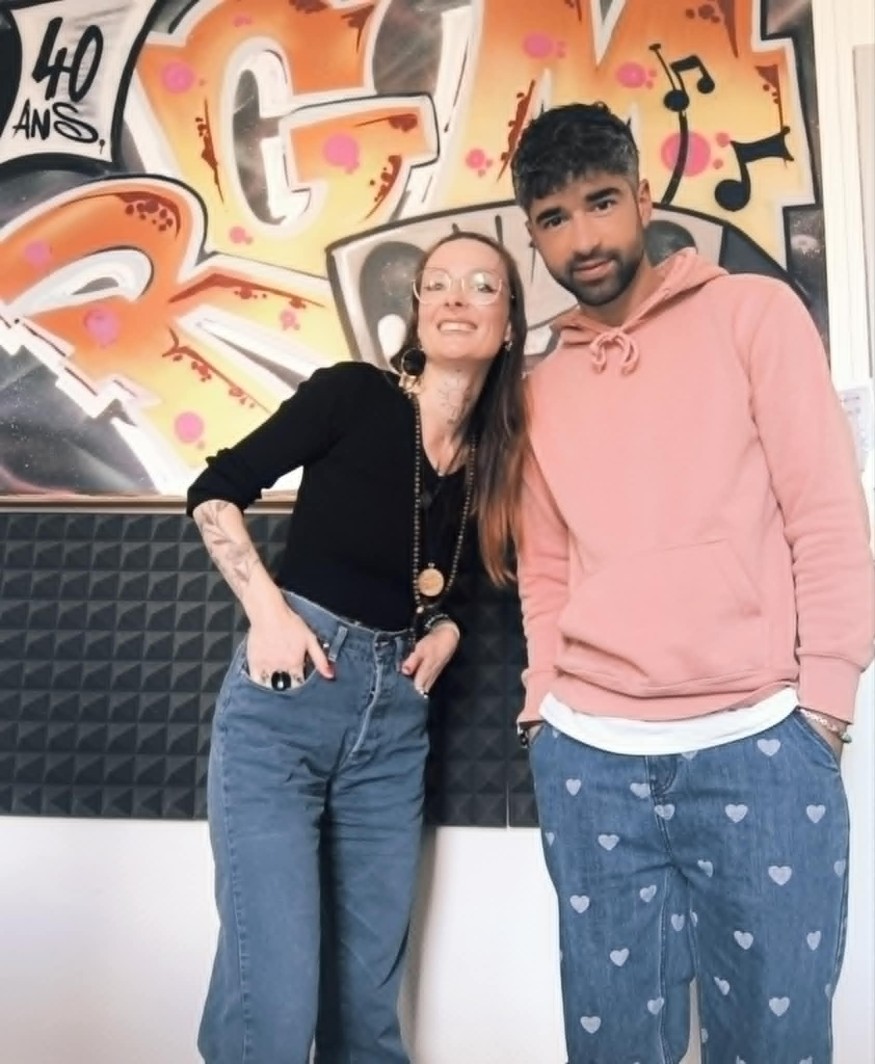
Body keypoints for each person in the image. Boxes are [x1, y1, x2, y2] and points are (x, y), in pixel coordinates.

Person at [510, 101, 874, 1064]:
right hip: (590, 759)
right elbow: (545, 567)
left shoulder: (753, 313)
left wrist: (825, 703)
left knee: (776, 1044)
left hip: (759, 743)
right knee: (614, 1050)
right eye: (553, 218)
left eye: (600, 202)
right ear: (532, 234)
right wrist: (542, 707)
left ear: (643, 197)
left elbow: (823, 511)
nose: (583, 239)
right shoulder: (539, 387)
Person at [187, 230, 527, 1064]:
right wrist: (268, 611)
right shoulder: (353, 395)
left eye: (481, 285)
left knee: (366, 1009)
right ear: (415, 310)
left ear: (510, 324)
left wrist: (447, 627)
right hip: (288, 706)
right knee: (274, 1000)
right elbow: (214, 492)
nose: (454, 298)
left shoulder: (491, 461)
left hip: (394, 728)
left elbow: (453, 583)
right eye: (436, 283)